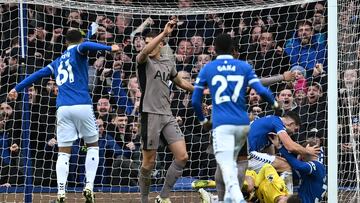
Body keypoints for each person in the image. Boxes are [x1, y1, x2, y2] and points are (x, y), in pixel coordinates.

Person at [7, 29, 120, 203]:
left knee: (63, 152)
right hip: (81, 104)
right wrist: (109, 48)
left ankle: (61, 193)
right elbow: (87, 45)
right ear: (79, 40)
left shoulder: (58, 61)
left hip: (63, 108)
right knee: (93, 145)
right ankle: (89, 186)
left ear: (66, 42)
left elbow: (36, 75)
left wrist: (17, 88)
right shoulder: (78, 49)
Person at [192, 33, 279, 203]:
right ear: (233, 50)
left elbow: (196, 100)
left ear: (214, 50)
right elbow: (261, 90)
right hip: (240, 122)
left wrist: (204, 121)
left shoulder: (208, 68)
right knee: (241, 162)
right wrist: (275, 104)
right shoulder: (243, 66)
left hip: (219, 124)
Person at [136, 19, 195, 203]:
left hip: (167, 115)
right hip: (150, 114)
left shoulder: (168, 63)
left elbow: (180, 82)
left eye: (151, 42)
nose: (147, 45)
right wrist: (164, 33)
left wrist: (200, 90)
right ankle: (144, 199)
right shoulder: (143, 61)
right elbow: (144, 51)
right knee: (148, 163)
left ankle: (163, 197)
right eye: (146, 42)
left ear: (161, 45)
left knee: (182, 156)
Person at [247, 111, 320, 193]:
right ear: (291, 123)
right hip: (248, 155)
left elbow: (271, 156)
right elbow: (290, 146)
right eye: (295, 130)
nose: (293, 133)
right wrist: (307, 151)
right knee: (286, 166)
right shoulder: (277, 122)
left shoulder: (269, 128)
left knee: (276, 167)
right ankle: (287, 198)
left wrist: (278, 149)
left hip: (245, 155)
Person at [269, 136, 327, 203]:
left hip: (302, 201)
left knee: (282, 200)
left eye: (302, 152)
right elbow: (294, 171)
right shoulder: (314, 170)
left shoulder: (317, 166)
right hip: (301, 200)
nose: (300, 155)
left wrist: (280, 147)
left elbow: (299, 166)